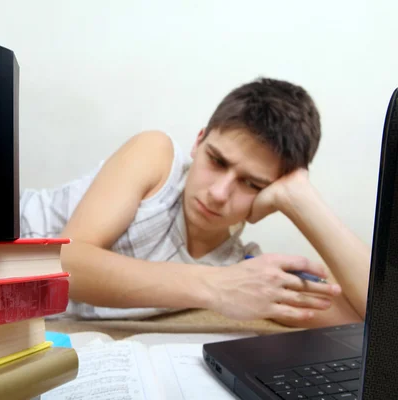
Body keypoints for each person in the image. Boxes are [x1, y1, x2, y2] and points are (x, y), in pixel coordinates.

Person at [20, 77, 371, 328]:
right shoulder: (157, 157)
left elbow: (371, 321)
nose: (219, 193)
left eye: (252, 183)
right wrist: (217, 288)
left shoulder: (242, 268)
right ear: (199, 141)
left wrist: (303, 201)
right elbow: (67, 263)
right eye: (217, 161)